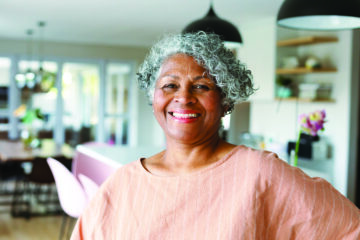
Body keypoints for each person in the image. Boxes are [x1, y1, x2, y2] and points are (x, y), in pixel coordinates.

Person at [71, 32, 360, 239]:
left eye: (201, 86)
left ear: (225, 100)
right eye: (170, 85)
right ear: (153, 97)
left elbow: (349, 228)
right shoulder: (123, 183)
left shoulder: (261, 174)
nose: (183, 98)